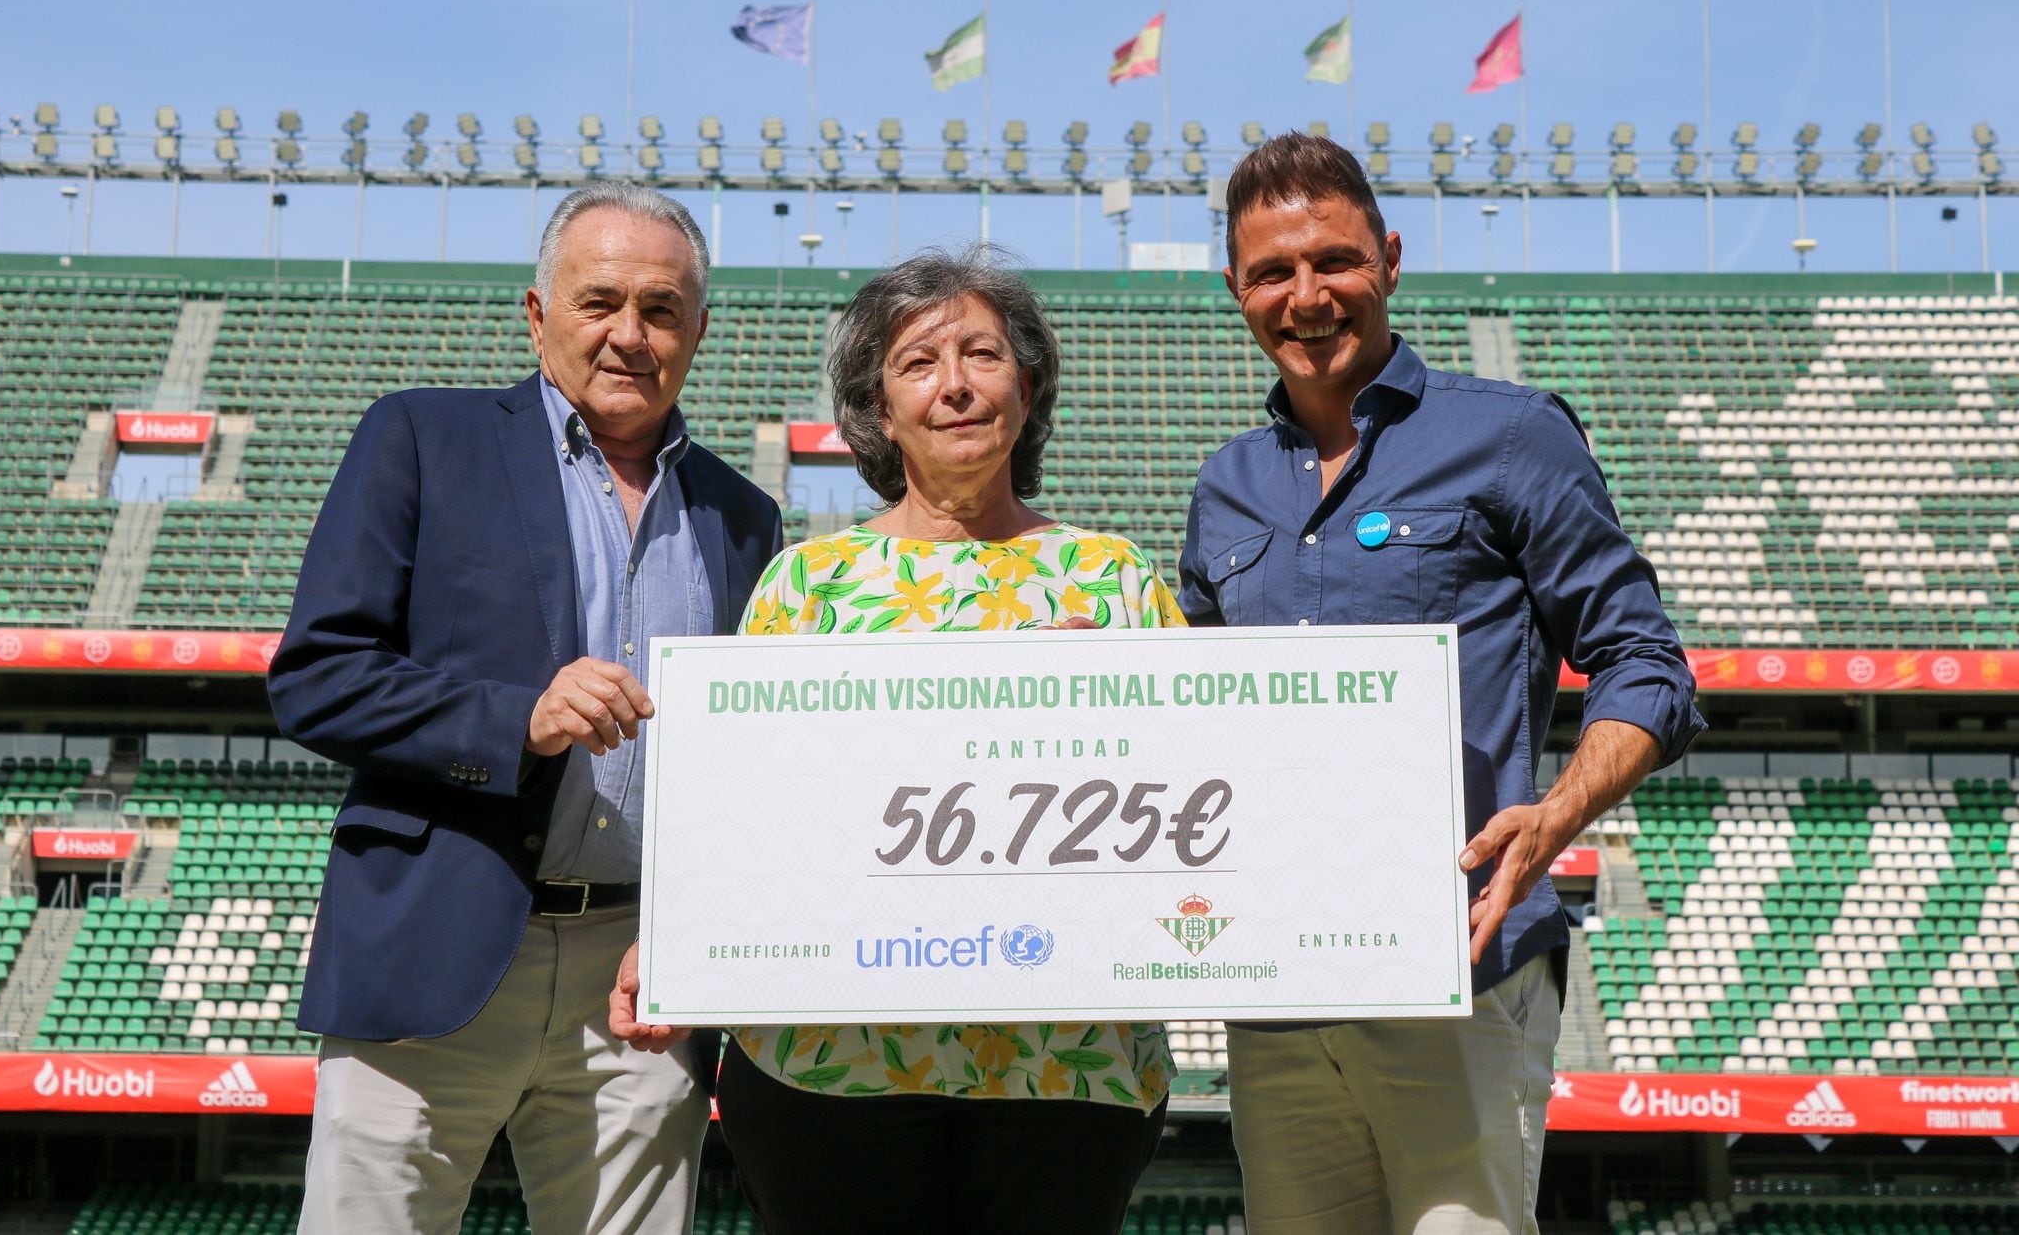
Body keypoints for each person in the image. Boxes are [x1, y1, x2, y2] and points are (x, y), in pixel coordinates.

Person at [1177, 132, 1705, 1234]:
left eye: (1335, 260)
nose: (1306, 295)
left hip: (1460, 967)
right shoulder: (1222, 489)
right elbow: (1193, 728)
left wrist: (1557, 814)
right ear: (1236, 289)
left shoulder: (1510, 436)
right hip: (1278, 989)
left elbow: (1644, 661)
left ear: (1390, 258)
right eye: (1273, 272)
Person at [610, 249, 1179, 1235]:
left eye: (981, 354)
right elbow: (739, 808)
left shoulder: (1112, 579)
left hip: (1066, 1063)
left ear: (1029, 385)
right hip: (827, 1068)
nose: (953, 384)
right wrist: (674, 935)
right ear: (877, 408)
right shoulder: (805, 586)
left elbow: (1191, 800)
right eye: (918, 363)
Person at [269, 183, 783, 1235]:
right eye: (599, 302)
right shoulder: (421, 436)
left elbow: (747, 766)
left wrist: (694, 934)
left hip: (640, 979)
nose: (629, 335)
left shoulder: (744, 515)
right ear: (536, 313)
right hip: (438, 945)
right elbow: (316, 676)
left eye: (660, 309)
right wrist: (516, 719)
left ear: (699, 331)